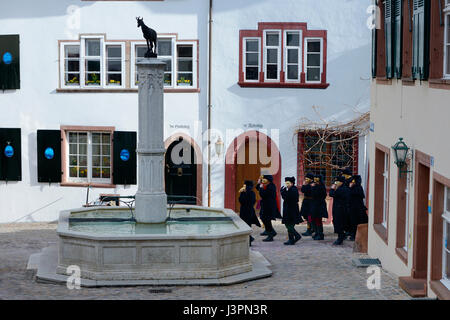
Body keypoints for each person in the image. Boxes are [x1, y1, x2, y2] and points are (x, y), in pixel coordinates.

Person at [256, 175, 282, 242]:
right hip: (265, 205)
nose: (263, 180)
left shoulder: (271, 186)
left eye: (264, 179)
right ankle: (270, 231)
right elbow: (257, 188)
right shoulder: (265, 185)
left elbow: (263, 194)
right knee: (262, 217)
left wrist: (261, 188)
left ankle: (270, 235)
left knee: (267, 219)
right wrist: (259, 183)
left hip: (269, 205)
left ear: (268, 180)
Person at [280, 177, 303, 245]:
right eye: (286, 183)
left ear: (292, 183)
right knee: (288, 224)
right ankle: (292, 239)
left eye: (288, 183)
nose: (287, 184)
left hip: (292, 210)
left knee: (290, 224)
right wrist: (284, 191)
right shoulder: (288, 189)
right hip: (288, 209)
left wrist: (282, 192)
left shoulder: (293, 189)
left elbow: (287, 197)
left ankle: (295, 236)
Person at [329, 176, 351, 245]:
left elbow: (331, 194)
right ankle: (342, 235)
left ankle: (340, 238)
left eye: (337, 182)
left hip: (340, 209)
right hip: (341, 208)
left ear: (341, 182)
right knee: (340, 223)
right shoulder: (343, 188)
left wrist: (332, 189)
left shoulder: (341, 189)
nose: (336, 183)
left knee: (338, 223)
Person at [238, 180, 261, 246]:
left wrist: (245, 194)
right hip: (243, 211)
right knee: (243, 225)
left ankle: (249, 241)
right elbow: (241, 201)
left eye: (245, 186)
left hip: (249, 211)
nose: (244, 187)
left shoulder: (251, 193)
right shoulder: (243, 192)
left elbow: (251, 202)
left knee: (248, 225)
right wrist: (242, 193)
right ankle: (249, 238)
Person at [348, 175, 368, 241]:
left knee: (357, 222)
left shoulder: (358, 188)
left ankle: (356, 235)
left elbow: (354, 194)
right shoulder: (355, 187)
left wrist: (350, 188)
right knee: (353, 222)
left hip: (358, 208)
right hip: (353, 208)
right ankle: (353, 234)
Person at [311, 174, 328, 240]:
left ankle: (320, 234)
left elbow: (319, 195)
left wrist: (313, 188)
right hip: (314, 204)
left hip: (319, 205)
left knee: (318, 219)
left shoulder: (321, 186)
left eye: (317, 178)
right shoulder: (315, 185)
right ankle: (316, 232)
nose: (315, 179)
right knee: (313, 219)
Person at [300, 173, 315, 237]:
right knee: (306, 216)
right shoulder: (307, 184)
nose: (306, 180)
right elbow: (303, 190)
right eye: (305, 178)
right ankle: (310, 228)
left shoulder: (313, 184)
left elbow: (306, 190)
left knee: (310, 216)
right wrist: (304, 185)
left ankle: (310, 229)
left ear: (311, 179)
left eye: (307, 178)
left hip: (311, 202)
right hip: (306, 201)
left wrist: (305, 185)